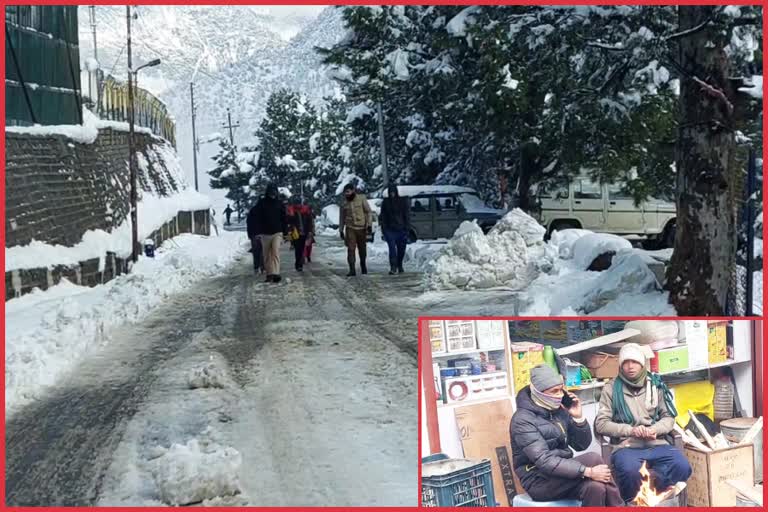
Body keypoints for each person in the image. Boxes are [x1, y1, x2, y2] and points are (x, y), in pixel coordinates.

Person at [510, 364, 622, 507]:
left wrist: (578, 418)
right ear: (539, 392)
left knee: (596, 488)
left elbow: (581, 445)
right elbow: (544, 461)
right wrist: (587, 471)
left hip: (563, 474)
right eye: (554, 391)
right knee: (593, 458)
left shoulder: (558, 410)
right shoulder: (522, 420)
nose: (560, 395)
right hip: (538, 480)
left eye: (561, 390)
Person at [594, 343, 692, 503]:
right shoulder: (611, 389)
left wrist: (654, 429)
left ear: (642, 364)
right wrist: (630, 430)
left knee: (682, 466)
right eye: (626, 362)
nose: (630, 366)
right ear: (620, 365)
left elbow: (668, 417)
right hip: (627, 446)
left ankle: (656, 497)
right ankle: (633, 503)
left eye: (635, 362)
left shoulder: (656, 385)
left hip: (657, 443)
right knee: (629, 471)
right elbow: (601, 424)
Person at [247, 184, 287, 283]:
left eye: (274, 192)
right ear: (268, 193)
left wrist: (285, 232)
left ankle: (276, 273)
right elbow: (254, 217)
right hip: (265, 233)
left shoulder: (279, 204)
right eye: (271, 192)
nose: (273, 194)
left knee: (275, 252)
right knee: (266, 255)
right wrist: (255, 232)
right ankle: (269, 274)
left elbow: (284, 219)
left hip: (277, 232)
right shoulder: (261, 204)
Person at [339, 183, 372, 277]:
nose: (347, 194)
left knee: (362, 248)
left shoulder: (361, 199)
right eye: (345, 193)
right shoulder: (344, 202)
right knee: (351, 249)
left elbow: (368, 212)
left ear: (353, 191)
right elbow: (342, 217)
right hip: (350, 228)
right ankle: (352, 269)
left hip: (361, 228)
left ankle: (363, 264)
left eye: (348, 192)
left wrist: (369, 224)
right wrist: (341, 230)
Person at [380, 183, 410, 275]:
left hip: (401, 229)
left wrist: (407, 227)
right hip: (390, 229)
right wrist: (384, 229)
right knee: (392, 249)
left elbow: (406, 215)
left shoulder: (402, 201)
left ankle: (399, 265)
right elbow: (383, 216)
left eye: (393, 192)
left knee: (401, 249)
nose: (392, 194)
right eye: (391, 192)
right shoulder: (385, 203)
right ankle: (393, 267)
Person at [286, 197, 315, 272]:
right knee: (297, 249)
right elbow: (288, 222)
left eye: (299, 203)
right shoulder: (291, 211)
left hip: (304, 232)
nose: (298, 205)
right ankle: (298, 264)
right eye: (296, 204)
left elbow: (309, 221)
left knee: (302, 249)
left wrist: (310, 231)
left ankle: (299, 264)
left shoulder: (305, 211)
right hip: (295, 233)